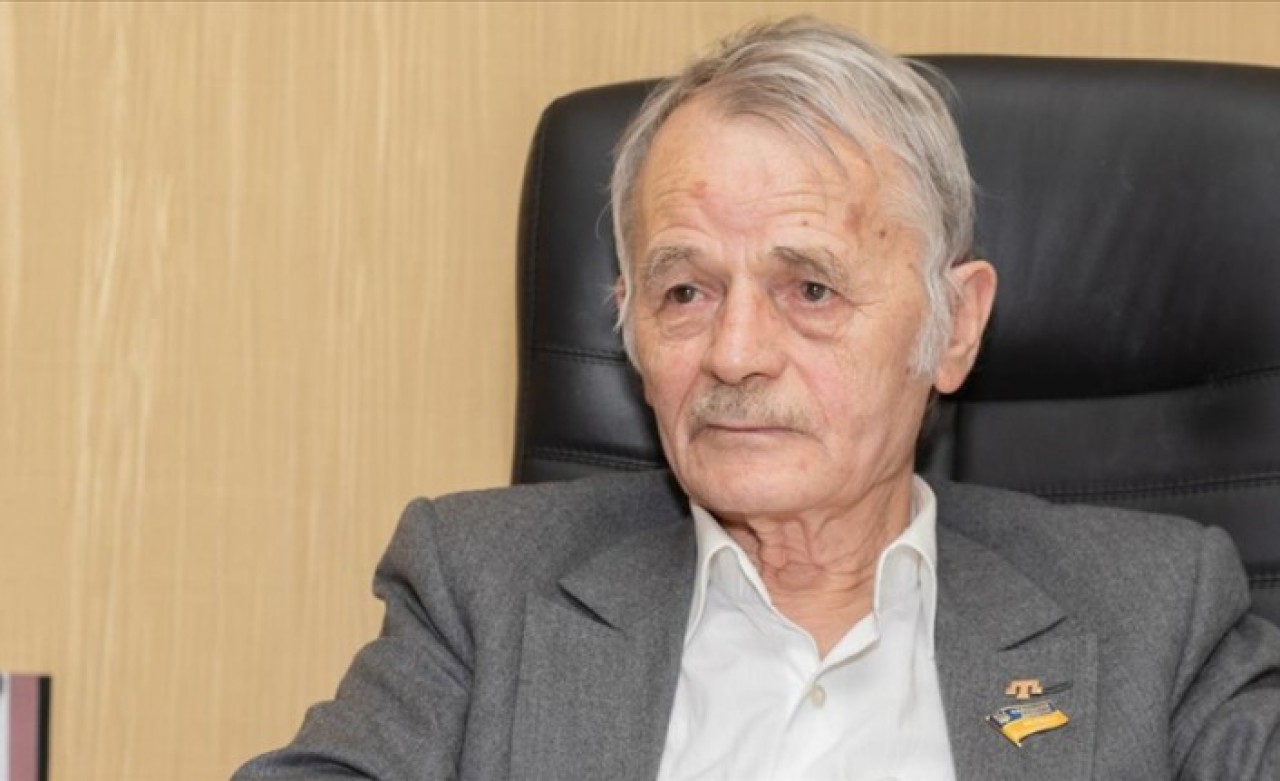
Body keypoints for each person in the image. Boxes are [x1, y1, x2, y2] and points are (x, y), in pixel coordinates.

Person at [235, 17, 1280, 781]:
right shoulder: (481, 590)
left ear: (953, 325)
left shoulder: (1153, 611)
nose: (733, 354)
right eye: (684, 292)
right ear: (628, 324)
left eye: (809, 288)